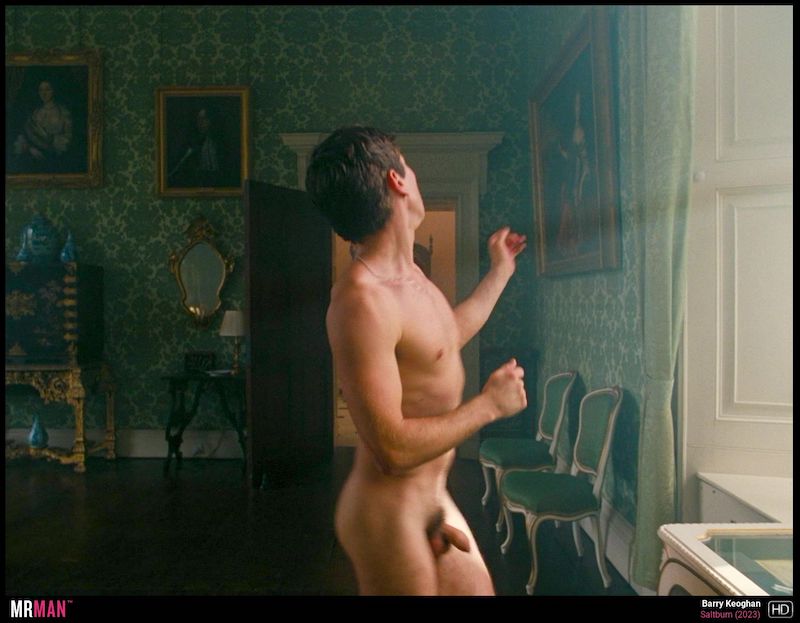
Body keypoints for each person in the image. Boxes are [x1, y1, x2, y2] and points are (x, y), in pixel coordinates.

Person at [305, 126, 528, 595]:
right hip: (389, 514)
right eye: (408, 166)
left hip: (432, 497)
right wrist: (489, 406)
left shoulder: (410, 277)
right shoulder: (362, 300)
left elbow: (443, 340)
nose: (413, 174)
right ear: (397, 181)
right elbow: (392, 450)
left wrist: (500, 273)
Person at [12, 80, 74, 173]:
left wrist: (49, 138)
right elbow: (25, 135)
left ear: (54, 90)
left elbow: (68, 141)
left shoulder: (63, 113)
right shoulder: (35, 113)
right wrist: (30, 149)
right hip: (34, 160)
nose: (44, 93)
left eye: (47, 89)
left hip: (57, 161)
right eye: (41, 90)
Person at [169, 107, 232, 187]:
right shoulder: (191, 142)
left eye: (204, 119)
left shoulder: (220, 143)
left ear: (211, 121)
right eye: (198, 119)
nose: (200, 122)